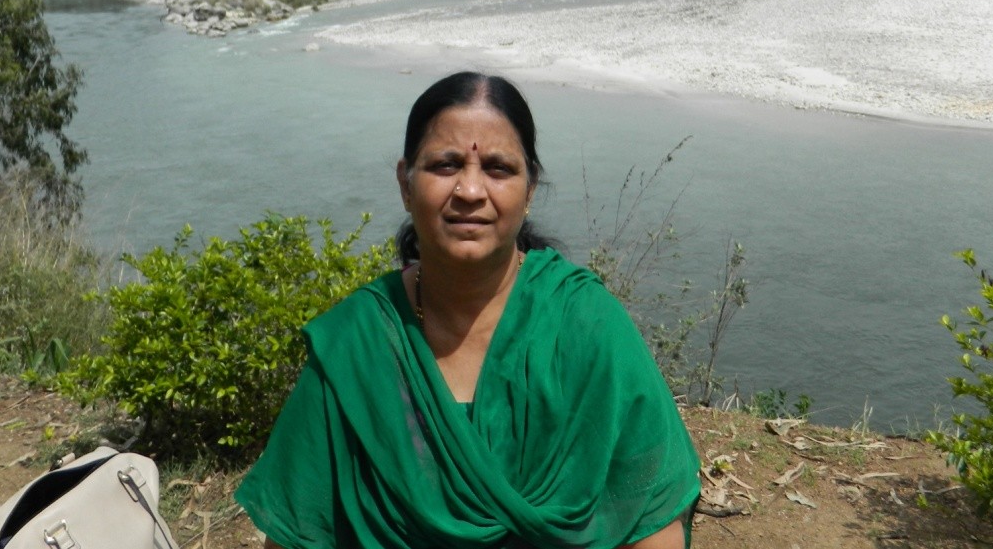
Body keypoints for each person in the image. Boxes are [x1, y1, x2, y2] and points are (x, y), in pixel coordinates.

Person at [236, 71, 700, 549]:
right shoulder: (357, 347)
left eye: (498, 168)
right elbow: (296, 533)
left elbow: (653, 515)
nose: (471, 191)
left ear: (530, 189)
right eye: (445, 165)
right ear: (405, 183)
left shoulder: (585, 326)